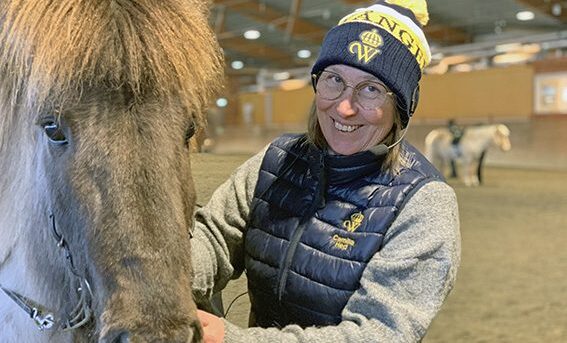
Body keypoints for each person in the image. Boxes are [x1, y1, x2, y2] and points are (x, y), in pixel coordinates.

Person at [191, 1, 460, 342]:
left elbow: (379, 334)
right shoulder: (275, 162)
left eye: (371, 89)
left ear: (401, 108)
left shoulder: (424, 205)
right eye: (334, 80)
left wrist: (234, 340)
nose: (345, 108)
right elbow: (214, 238)